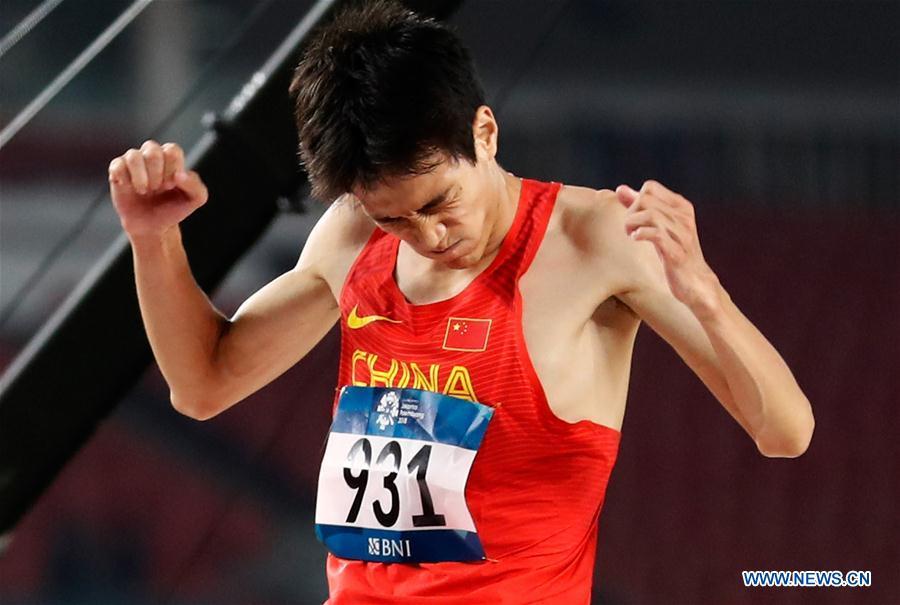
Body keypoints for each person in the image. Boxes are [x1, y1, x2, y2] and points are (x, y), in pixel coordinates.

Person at [107, 2, 814, 603]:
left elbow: (786, 431)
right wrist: (153, 238)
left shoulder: (594, 238)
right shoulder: (353, 238)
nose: (428, 235)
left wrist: (707, 295)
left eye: (438, 202)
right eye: (394, 218)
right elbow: (201, 383)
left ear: (483, 132)